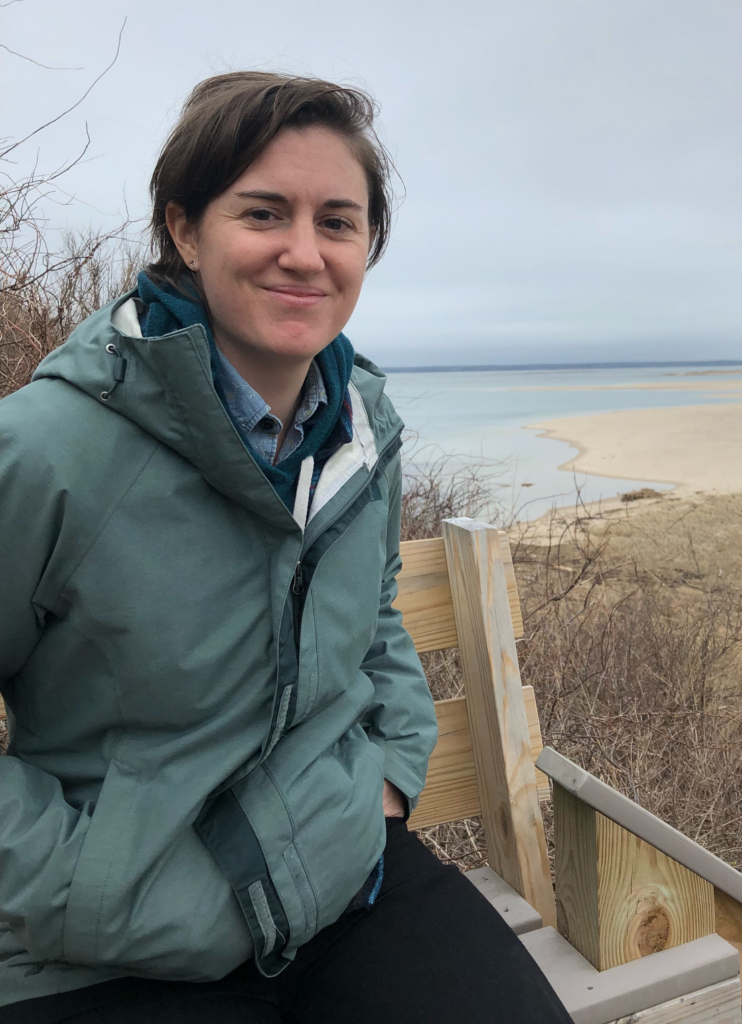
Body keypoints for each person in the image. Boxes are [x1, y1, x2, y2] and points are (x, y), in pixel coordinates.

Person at [0, 72, 571, 1024]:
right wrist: (79, 889)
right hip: (103, 945)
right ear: (185, 231)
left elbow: (376, 608)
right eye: (264, 212)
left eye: (338, 222)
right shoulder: (46, 452)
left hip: (342, 877)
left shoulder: (363, 428)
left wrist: (389, 768)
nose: (304, 254)